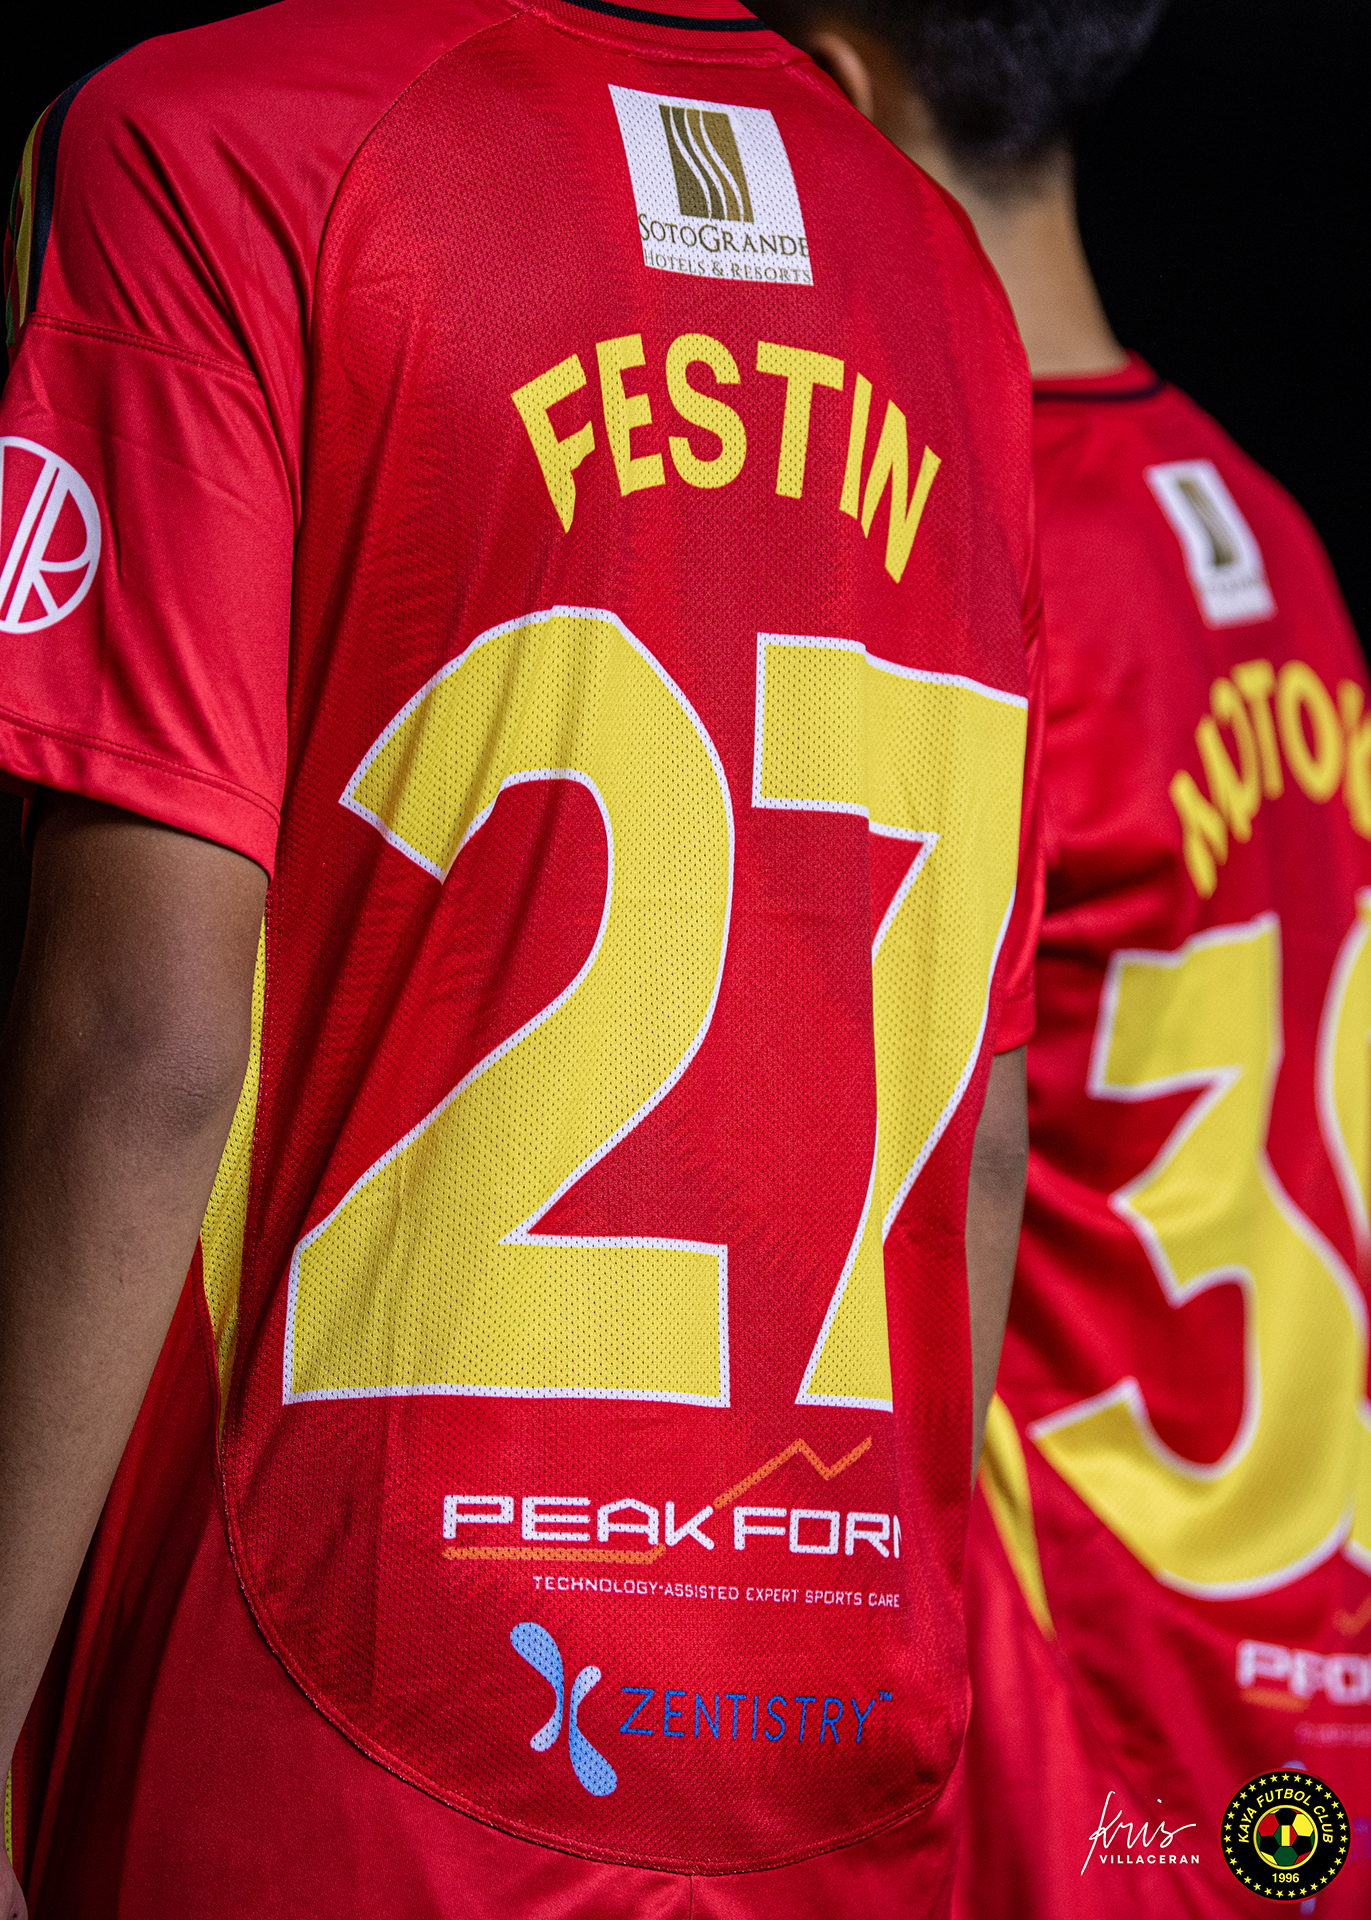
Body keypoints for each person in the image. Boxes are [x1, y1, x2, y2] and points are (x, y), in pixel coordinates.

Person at [0, 0, 1046, 1909]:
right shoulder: (940, 274)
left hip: (328, 1733)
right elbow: (975, 1131)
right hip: (818, 1728)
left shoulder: (220, 143)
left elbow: (145, 1032)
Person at [748, 0, 1371, 1912]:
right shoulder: (1267, 530)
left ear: (839, 90)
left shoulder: (947, 544)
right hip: (1297, 1687)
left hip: (1074, 1732)